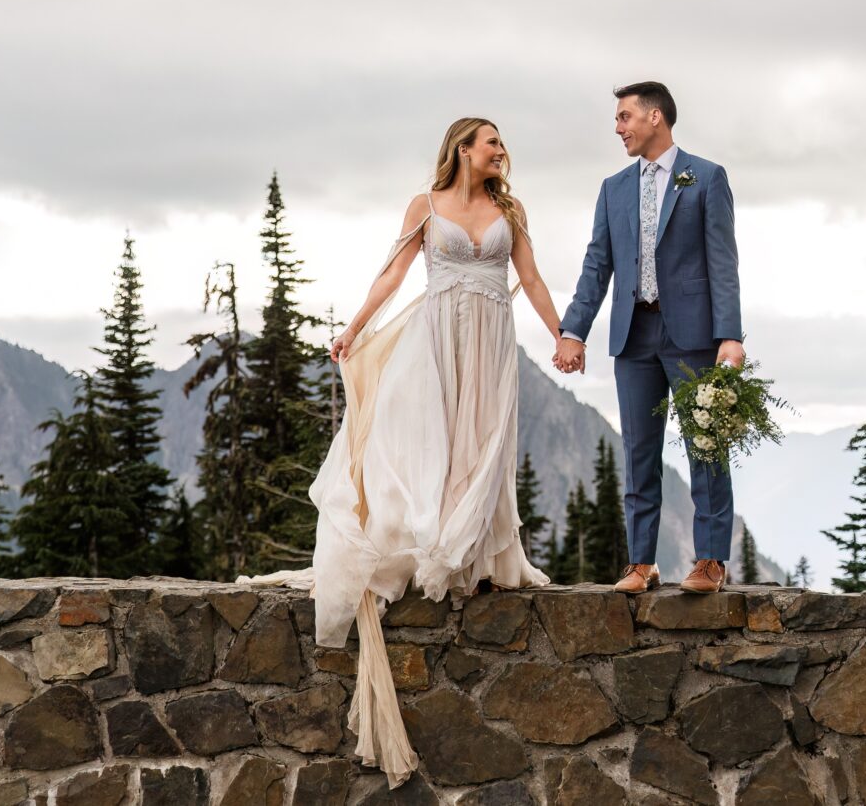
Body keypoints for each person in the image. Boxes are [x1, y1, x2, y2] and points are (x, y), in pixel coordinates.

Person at [241, 117, 558, 788]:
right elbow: (393, 274)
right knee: (428, 439)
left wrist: (564, 334)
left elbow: (528, 278)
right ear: (463, 150)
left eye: (502, 143)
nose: (502, 151)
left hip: (491, 340)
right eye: (491, 142)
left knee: (484, 440)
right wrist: (353, 327)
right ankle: (428, 541)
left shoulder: (510, 211)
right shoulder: (427, 206)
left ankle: (472, 551)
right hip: (436, 336)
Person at [555, 81, 746, 596]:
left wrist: (730, 335)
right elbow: (597, 264)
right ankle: (641, 562)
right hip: (633, 336)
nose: (618, 128)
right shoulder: (614, 188)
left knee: (705, 446)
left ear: (655, 117)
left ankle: (710, 560)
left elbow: (722, 261)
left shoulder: (705, 178)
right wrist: (573, 330)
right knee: (639, 452)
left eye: (624, 118)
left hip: (694, 335)